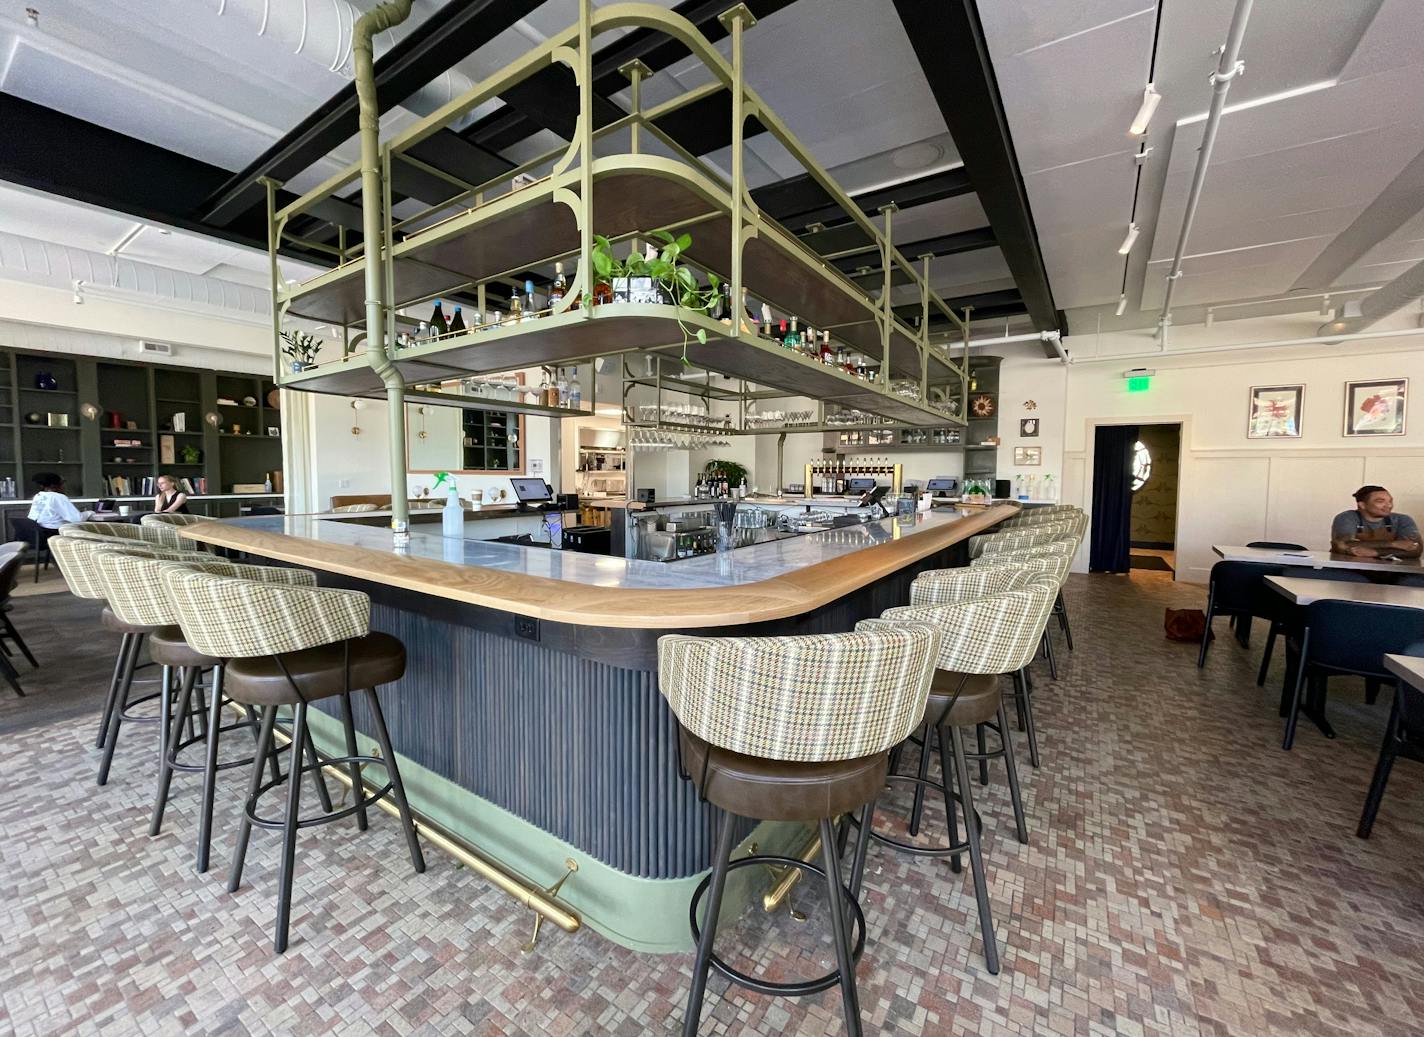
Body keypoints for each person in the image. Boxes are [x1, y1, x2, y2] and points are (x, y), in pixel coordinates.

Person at [1330, 485, 1422, 558]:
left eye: (1390, 501)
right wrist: (1393, 544)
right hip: (1351, 569)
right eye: (1380, 501)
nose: (1388, 505)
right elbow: (1343, 544)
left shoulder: (1403, 519)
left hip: (1392, 570)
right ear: (1362, 505)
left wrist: (1376, 553)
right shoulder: (1347, 517)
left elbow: (1416, 550)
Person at [27, 473, 95, 529]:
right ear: (55, 485)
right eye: (62, 483)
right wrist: (90, 512)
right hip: (55, 532)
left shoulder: (39, 495)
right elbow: (77, 519)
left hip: (38, 531)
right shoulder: (58, 497)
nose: (64, 486)